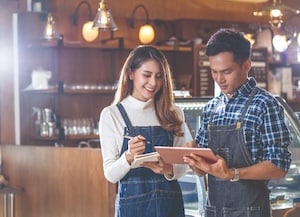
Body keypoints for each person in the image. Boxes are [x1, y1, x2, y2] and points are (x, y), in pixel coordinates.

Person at [184, 28, 292, 217]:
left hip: (252, 211)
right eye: (214, 72)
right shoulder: (211, 108)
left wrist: (232, 173)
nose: (219, 79)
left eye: (227, 71)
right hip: (214, 210)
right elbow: (202, 172)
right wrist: (194, 160)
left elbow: (279, 166)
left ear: (246, 65)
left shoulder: (264, 104)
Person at [99, 45, 192, 217]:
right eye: (147, 75)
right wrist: (128, 157)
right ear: (131, 74)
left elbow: (183, 166)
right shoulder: (112, 115)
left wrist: (169, 169)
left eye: (159, 77)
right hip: (132, 208)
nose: (153, 83)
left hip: (170, 206)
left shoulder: (173, 113)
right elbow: (111, 175)